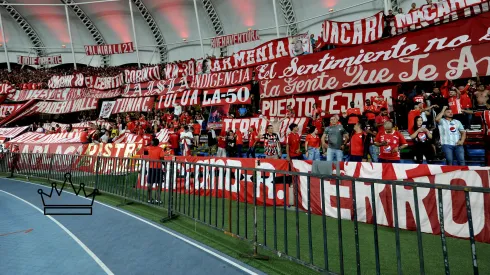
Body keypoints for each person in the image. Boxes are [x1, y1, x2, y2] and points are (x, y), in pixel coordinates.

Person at [144, 138, 165, 204]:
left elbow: (144, 148)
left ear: (153, 142)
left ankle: (149, 199)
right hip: (158, 168)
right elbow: (162, 158)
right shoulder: (160, 149)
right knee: (159, 183)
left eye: (152, 141)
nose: (151, 142)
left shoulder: (149, 148)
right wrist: (165, 165)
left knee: (150, 183)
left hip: (151, 167)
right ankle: (157, 199)